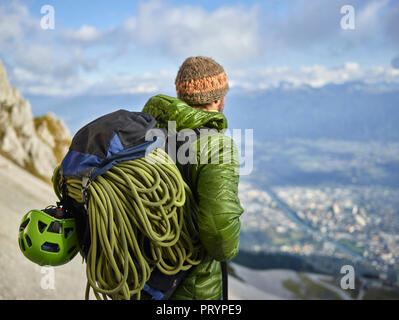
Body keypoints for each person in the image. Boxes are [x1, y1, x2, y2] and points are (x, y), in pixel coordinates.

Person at [141, 56, 244, 300]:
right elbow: (220, 236)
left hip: (142, 275)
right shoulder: (216, 146)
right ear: (218, 99)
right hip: (193, 287)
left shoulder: (149, 134)